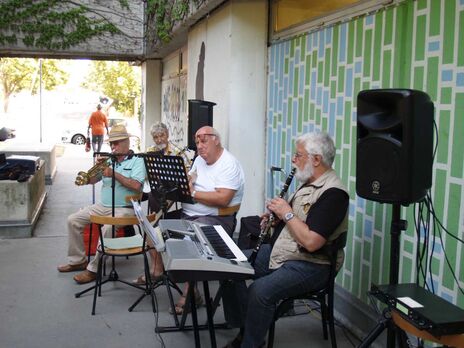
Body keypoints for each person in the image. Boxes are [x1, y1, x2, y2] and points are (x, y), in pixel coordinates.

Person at [222, 131, 349, 348]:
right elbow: (296, 223)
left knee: (259, 291)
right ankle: (248, 328)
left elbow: (311, 242)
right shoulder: (308, 182)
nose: (293, 159)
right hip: (285, 252)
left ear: (316, 159)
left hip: (313, 264)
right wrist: (274, 221)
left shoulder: (334, 194)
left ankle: (250, 341)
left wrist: (286, 212)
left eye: (298, 155)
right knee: (227, 267)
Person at [139, 125, 245, 315]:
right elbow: (189, 180)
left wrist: (193, 193)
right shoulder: (199, 160)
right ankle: (162, 271)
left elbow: (223, 198)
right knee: (152, 230)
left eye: (204, 140)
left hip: (216, 219)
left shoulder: (229, 163)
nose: (199, 145)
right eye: (197, 141)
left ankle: (189, 292)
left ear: (216, 140)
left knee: (188, 241)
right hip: (189, 215)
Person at [57, 125, 146, 284]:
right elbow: (93, 180)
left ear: (127, 142)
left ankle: (93, 269)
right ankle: (78, 261)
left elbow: (136, 186)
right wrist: (88, 178)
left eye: (117, 143)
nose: (113, 146)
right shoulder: (109, 160)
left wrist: (114, 174)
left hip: (126, 209)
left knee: (108, 228)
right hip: (102, 206)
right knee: (73, 219)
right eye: (111, 143)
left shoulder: (138, 161)